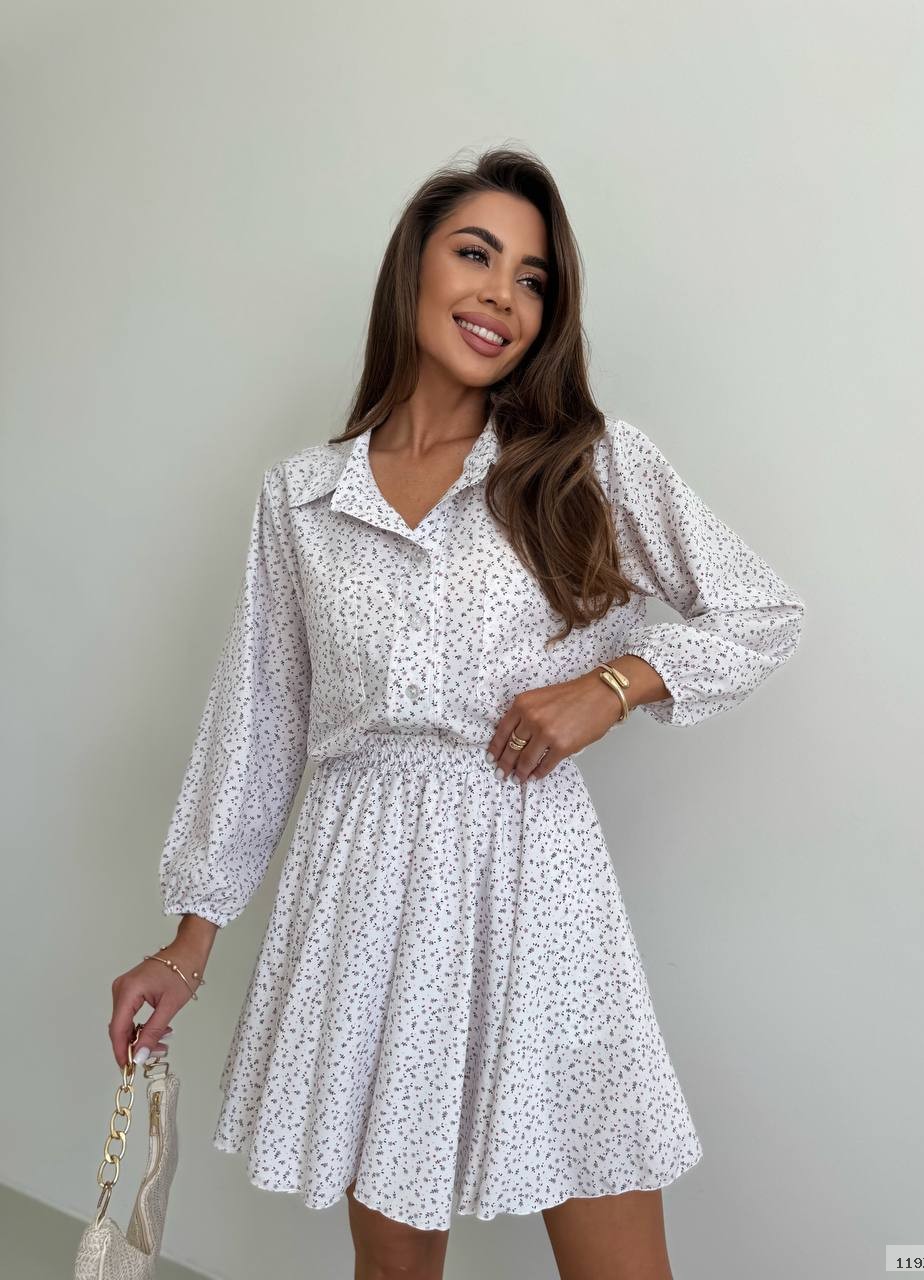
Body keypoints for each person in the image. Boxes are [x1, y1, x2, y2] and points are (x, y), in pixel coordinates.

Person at [109, 146, 805, 1280]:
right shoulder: (305, 497)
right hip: (360, 895)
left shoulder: (585, 465)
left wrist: (614, 686)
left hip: (534, 889)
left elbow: (759, 611)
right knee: (393, 1267)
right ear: (414, 268)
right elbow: (260, 721)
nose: (501, 295)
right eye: (476, 255)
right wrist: (187, 945)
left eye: (533, 279)